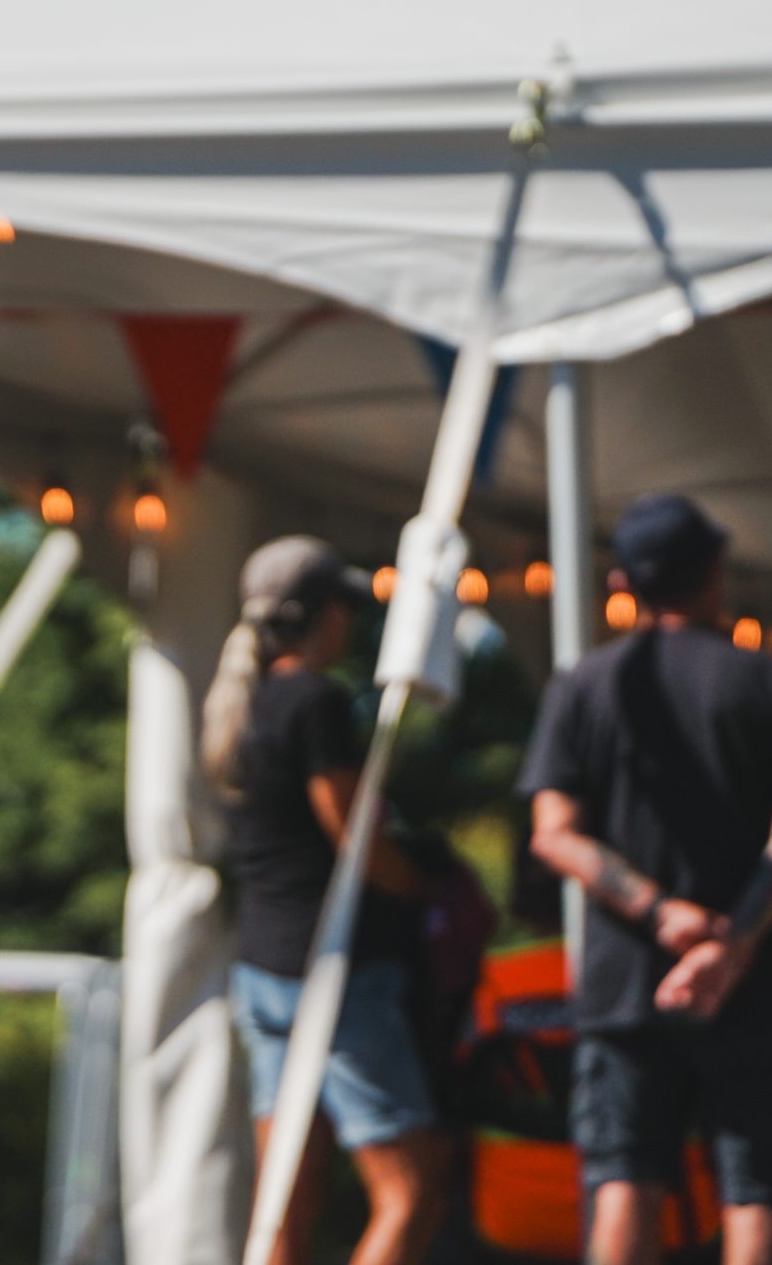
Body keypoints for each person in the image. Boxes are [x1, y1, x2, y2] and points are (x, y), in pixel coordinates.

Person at [520, 493, 772, 1265]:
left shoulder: (582, 687)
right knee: (756, 1190)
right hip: (757, 984)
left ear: (623, 583)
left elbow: (554, 834)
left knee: (624, 1177)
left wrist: (661, 913)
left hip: (628, 984)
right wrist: (731, 945)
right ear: (715, 572)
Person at [201, 537, 446, 1265]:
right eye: (345, 606)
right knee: (411, 1192)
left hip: (262, 967)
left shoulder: (241, 703)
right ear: (322, 614)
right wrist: (419, 883)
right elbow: (350, 829)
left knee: (281, 1206)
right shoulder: (316, 699)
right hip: (334, 969)